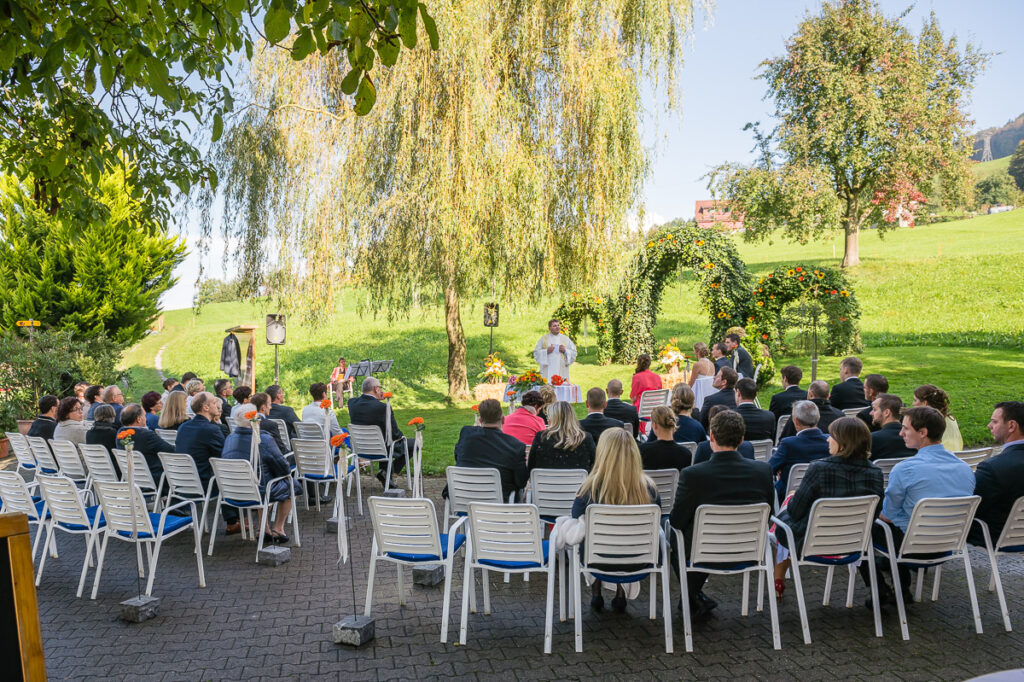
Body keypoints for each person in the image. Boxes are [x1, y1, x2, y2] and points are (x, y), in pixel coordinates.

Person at [866, 406, 974, 606]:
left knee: (863, 526)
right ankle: (899, 584)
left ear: (923, 433)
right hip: (950, 545)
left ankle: (884, 590)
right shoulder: (965, 468)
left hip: (913, 547)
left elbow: (888, 515)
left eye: (906, 429)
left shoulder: (905, 469)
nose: (900, 433)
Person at [670, 409, 774, 618]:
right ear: (742, 439)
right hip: (749, 549)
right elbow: (768, 515)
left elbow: (677, 521)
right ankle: (694, 597)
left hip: (705, 550)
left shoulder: (693, 475)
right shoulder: (763, 471)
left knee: (674, 535)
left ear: (712, 438)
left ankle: (691, 596)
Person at [773, 417, 883, 600]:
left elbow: (796, 512)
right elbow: (874, 513)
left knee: (781, 520)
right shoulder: (876, 473)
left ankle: (777, 579)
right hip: (853, 543)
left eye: (831, 436)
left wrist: (791, 499)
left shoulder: (819, 468)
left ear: (842, 442)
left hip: (812, 542)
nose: (826, 439)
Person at [572, 428, 660, 613]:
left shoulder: (589, 488)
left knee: (588, 534)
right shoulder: (650, 489)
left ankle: (596, 592)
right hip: (639, 559)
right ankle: (620, 594)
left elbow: (575, 519)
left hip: (597, 560)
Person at [223, 412, 299, 543]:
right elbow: (284, 468)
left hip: (232, 492)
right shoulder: (264, 439)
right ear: (257, 422)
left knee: (262, 480)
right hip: (257, 492)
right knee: (292, 485)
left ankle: (263, 527)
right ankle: (278, 528)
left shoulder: (230, 438)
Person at [175, 392, 239, 533]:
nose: (217, 405)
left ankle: (234, 520)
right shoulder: (210, 429)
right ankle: (234, 521)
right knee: (233, 473)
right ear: (205, 407)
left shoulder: (183, 427)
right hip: (202, 483)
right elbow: (225, 455)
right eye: (213, 402)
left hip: (181, 482)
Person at [968, 401, 1024, 547]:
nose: (989, 425)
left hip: (997, 535)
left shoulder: (993, 467)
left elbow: (971, 507)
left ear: (1012, 426)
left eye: (994, 421)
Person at [452, 399, 528, 500]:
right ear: (503, 420)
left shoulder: (466, 434)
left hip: (463, 500)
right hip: (498, 506)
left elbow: (458, 457)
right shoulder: (515, 446)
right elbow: (521, 482)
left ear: (480, 420)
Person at [348, 377, 408, 489]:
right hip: (381, 449)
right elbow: (395, 434)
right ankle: (386, 472)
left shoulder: (352, 403)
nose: (381, 390)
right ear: (376, 389)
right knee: (413, 444)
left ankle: (385, 472)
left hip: (360, 449)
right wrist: (402, 436)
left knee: (385, 441)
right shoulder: (383, 408)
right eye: (380, 388)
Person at [769, 400, 830, 500]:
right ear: (818, 418)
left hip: (789, 496)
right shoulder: (829, 441)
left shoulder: (788, 444)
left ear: (796, 421)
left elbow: (769, 468)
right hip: (821, 494)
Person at [529, 401, 596, 471]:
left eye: (548, 417)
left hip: (545, 481)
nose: (547, 420)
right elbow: (595, 466)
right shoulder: (585, 438)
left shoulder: (541, 438)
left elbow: (531, 466)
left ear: (552, 419)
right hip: (579, 481)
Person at [117, 404, 174, 486]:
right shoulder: (146, 435)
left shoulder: (120, 433)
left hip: (132, 478)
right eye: (144, 416)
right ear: (139, 419)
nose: (145, 418)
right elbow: (170, 450)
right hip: (154, 478)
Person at [778, 380, 844, 440]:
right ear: (828, 396)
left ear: (811, 394)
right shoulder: (839, 416)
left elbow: (783, 440)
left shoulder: (799, 415)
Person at [912, 384, 963, 452]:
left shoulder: (929, 422)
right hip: (956, 458)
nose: (913, 404)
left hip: (939, 459)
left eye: (915, 400)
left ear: (925, 403)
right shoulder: (950, 418)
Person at [869, 394, 916, 460]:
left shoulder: (872, 439)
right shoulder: (915, 437)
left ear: (886, 412)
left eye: (874, 409)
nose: (871, 413)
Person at [533, 318, 577, 382]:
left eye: (558, 325)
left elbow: (574, 352)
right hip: (547, 369)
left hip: (561, 369)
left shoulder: (565, 339)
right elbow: (536, 353)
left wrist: (565, 351)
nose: (557, 327)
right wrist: (546, 351)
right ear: (549, 328)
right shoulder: (544, 338)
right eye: (554, 326)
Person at [734, 378, 775, 442]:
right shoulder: (769, 416)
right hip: (763, 451)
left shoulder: (729, 417)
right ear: (756, 394)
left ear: (738, 393)